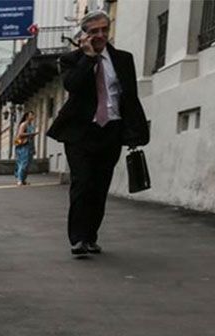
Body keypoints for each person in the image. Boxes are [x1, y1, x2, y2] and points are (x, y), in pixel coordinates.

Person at [46, 10, 149, 256]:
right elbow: (73, 86)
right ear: (85, 35)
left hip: (111, 130)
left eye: (104, 29)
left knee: (100, 187)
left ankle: (91, 237)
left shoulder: (124, 59)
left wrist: (135, 132)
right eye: (94, 31)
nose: (101, 35)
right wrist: (89, 58)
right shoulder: (71, 59)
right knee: (82, 183)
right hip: (80, 133)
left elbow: (130, 97)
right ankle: (78, 239)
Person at [14, 111, 38, 186]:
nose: (33, 116)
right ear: (27, 116)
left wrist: (34, 148)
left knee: (27, 164)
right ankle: (19, 180)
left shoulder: (31, 125)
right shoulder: (24, 124)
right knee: (23, 163)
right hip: (23, 146)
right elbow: (20, 134)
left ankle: (23, 180)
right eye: (32, 115)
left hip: (29, 146)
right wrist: (32, 134)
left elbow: (31, 138)